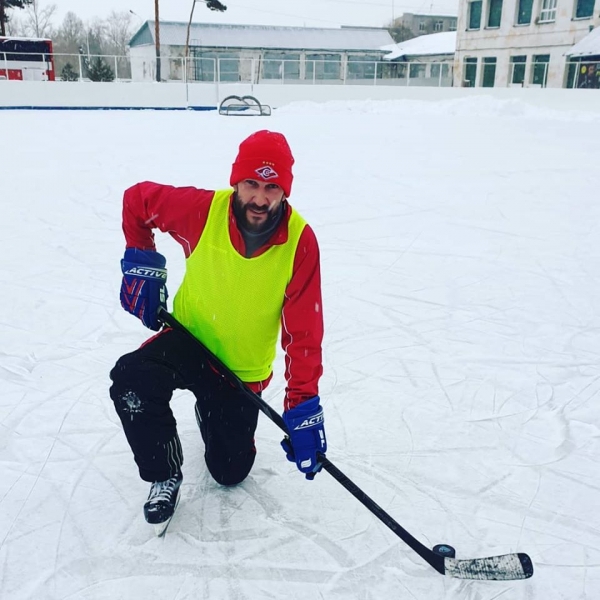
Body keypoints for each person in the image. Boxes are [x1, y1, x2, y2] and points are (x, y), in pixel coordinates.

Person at [109, 130, 327, 529]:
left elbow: (305, 334)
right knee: (131, 379)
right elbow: (136, 199)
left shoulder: (300, 242)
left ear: (285, 190)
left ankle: (209, 412)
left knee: (230, 472)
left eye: (272, 187)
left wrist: (303, 404)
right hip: (188, 340)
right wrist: (140, 257)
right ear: (236, 181)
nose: (260, 199)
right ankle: (163, 472)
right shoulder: (201, 209)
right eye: (251, 184)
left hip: (239, 371)